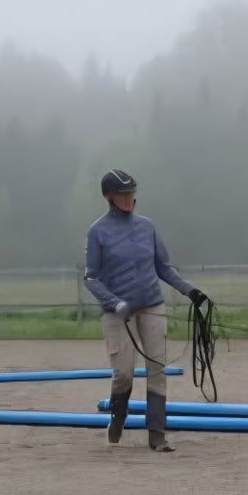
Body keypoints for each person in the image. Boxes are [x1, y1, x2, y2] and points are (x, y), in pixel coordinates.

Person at [83, 169, 207, 452]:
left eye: (131, 194)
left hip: (152, 304)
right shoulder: (97, 232)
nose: (129, 199)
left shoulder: (147, 227)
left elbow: (164, 267)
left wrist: (190, 291)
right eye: (123, 195)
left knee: (157, 368)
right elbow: (91, 278)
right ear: (109, 197)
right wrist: (115, 303)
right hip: (118, 313)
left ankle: (157, 433)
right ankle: (118, 416)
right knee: (124, 373)